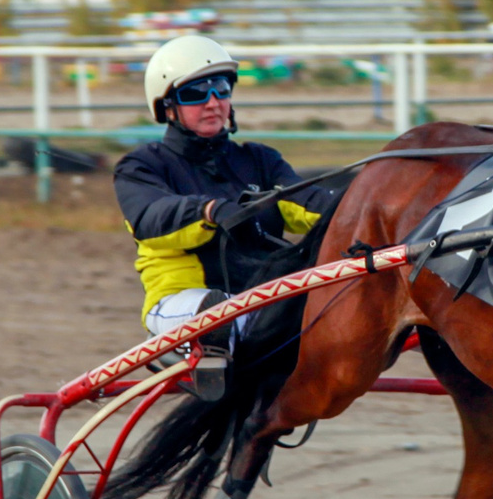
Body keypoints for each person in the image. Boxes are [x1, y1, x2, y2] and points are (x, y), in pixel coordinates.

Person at [114, 35, 331, 401]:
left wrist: (363, 204)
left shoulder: (260, 160)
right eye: (196, 93)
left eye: (220, 88)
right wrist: (210, 211)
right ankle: (214, 368)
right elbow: (151, 219)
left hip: (258, 300)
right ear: (168, 106)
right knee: (216, 311)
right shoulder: (142, 166)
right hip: (183, 303)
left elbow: (305, 201)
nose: (213, 102)